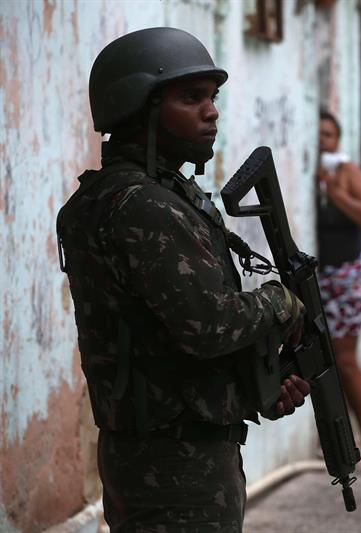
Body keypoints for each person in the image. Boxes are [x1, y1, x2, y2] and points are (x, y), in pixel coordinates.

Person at [57, 27, 310, 531]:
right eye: (190, 98)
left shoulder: (136, 196)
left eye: (212, 98)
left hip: (171, 450)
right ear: (140, 107)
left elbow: (160, 336)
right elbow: (208, 326)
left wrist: (259, 387)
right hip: (174, 467)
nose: (210, 111)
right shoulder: (142, 205)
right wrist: (280, 300)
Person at [316, 110, 361, 468]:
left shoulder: (347, 173)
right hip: (322, 278)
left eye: (328, 135)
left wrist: (336, 194)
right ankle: (343, 442)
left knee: (345, 361)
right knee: (328, 363)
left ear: (337, 141)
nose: (321, 141)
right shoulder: (312, 174)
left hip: (347, 277)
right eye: (317, 134)